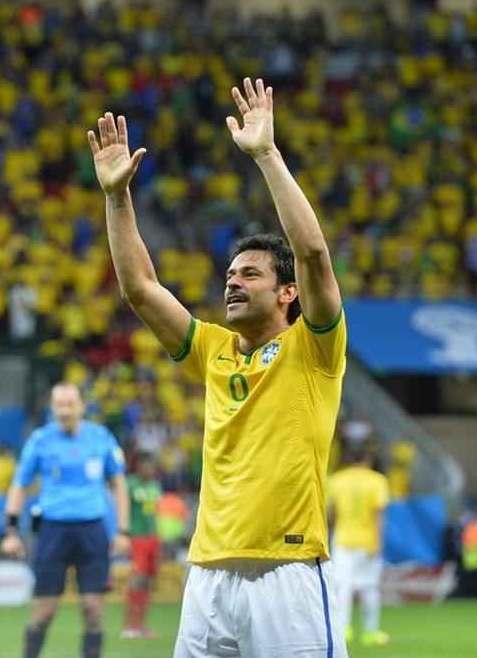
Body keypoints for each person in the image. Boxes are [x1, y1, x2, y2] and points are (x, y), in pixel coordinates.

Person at [87, 77, 347, 658]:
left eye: (249, 274)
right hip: (207, 578)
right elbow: (140, 289)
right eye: (229, 274)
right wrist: (115, 197)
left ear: (287, 294)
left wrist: (266, 155)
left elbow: (312, 255)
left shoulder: (315, 347)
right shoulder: (213, 350)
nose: (232, 280)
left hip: (286, 571)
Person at [1, 383, 130, 658]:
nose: (65, 410)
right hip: (53, 530)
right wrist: (10, 531)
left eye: (70, 404)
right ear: (52, 407)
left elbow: (118, 484)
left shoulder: (101, 438)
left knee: (93, 608)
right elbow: (19, 485)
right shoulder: (40, 440)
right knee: (44, 610)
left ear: (82, 406)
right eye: (59, 405)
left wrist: (122, 530)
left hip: (93, 530)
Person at [328, 447, 391, 647]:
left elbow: (331, 513)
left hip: (342, 540)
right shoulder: (377, 481)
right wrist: (379, 543)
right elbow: (378, 514)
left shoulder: (336, 480)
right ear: (368, 459)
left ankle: (343, 629)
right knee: (369, 587)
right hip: (368, 541)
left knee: (342, 587)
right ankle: (370, 633)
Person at [122, 452, 163, 640]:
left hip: (152, 538)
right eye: (147, 465)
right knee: (136, 580)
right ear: (138, 466)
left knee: (147, 582)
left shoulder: (155, 486)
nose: (150, 469)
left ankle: (142, 625)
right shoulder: (129, 484)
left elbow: (155, 513)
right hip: (136, 538)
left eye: (152, 465)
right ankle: (130, 625)